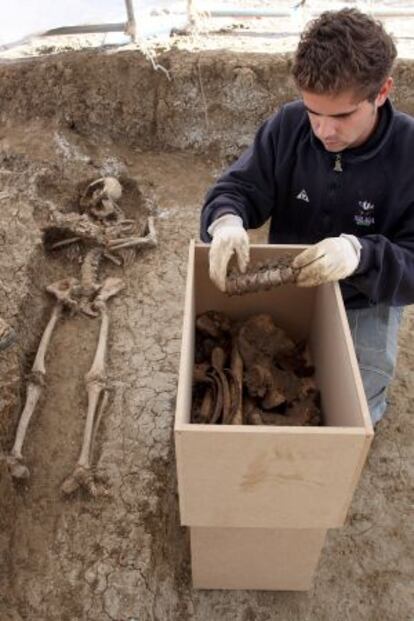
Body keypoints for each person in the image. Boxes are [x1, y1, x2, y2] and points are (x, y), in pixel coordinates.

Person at [200, 8, 414, 425]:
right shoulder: (289, 126)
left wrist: (361, 254)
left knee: (354, 414)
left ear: (382, 91)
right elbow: (237, 189)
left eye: (342, 116)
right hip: (288, 279)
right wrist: (225, 220)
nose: (324, 131)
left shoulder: (409, 153)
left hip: (365, 296)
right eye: (314, 112)